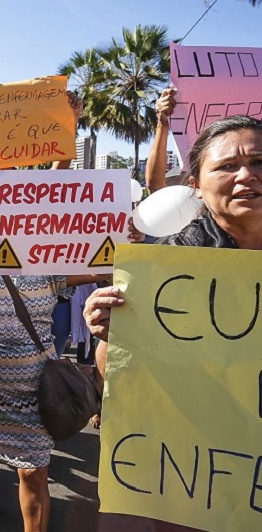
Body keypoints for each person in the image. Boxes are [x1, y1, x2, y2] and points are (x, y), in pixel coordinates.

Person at [84, 115, 262, 530]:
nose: (247, 176)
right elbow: (115, 375)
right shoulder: (165, 265)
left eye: (258, 162)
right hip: (201, 469)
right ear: (195, 183)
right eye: (227, 166)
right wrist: (113, 330)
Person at [0, 214, 102, 532]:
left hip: (38, 391)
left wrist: (127, 242)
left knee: (33, 469)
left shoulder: (44, 261)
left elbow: (98, 267)